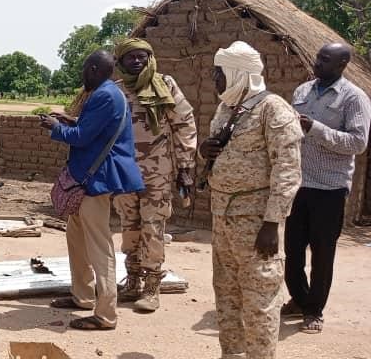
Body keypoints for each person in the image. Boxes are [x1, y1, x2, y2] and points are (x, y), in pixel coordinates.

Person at [200, 41, 302, 359]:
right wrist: (206, 151)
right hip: (223, 219)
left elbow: (288, 171)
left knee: (259, 302)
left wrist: (272, 223)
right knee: (226, 296)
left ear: (238, 73)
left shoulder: (274, 110)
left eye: (220, 73)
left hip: (257, 224)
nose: (215, 79)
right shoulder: (226, 109)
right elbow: (223, 155)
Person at [43, 51, 144, 331]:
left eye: (85, 69)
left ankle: (106, 314)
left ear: (95, 69)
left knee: (99, 246)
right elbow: (93, 130)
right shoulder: (106, 93)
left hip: (94, 181)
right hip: (87, 180)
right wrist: (69, 121)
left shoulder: (105, 96)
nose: (82, 75)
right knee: (76, 237)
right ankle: (83, 295)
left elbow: (82, 138)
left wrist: (56, 128)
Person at [283, 43, 370, 334]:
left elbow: (357, 143)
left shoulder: (354, 98)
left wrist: (316, 129)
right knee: (292, 250)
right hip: (297, 183)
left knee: (322, 253)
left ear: (342, 64)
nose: (317, 62)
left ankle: (314, 310)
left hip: (330, 188)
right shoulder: (302, 91)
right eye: (318, 56)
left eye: (325, 59)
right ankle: (299, 298)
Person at [111, 39, 197, 312]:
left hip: (157, 172)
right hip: (124, 172)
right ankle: (133, 280)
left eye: (142, 56)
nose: (137, 61)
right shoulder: (115, 91)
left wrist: (185, 168)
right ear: (120, 62)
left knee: (153, 226)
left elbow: (184, 125)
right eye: (131, 57)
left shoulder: (165, 85)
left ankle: (151, 286)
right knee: (129, 226)